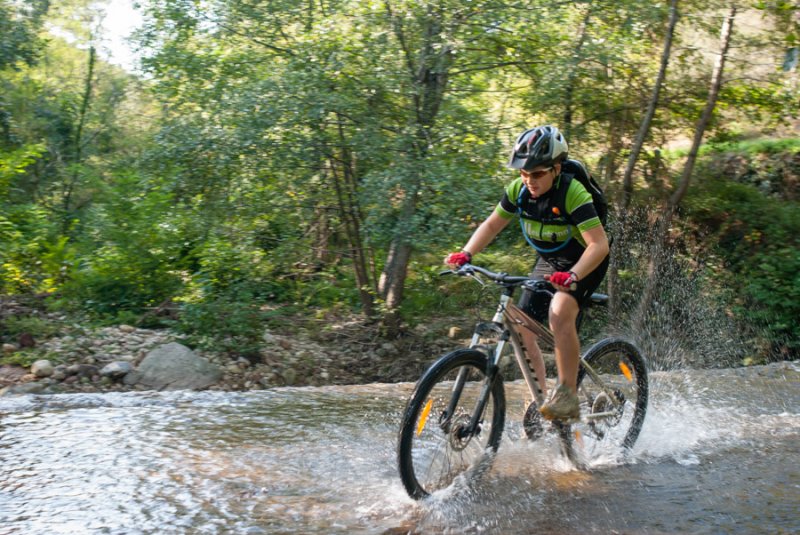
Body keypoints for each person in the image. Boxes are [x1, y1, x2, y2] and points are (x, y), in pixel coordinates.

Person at [445, 125, 610, 421]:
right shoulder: (518, 191)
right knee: (520, 325)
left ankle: (567, 395)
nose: (529, 180)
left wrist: (573, 275)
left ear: (556, 169)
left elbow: (599, 245)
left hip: (584, 259)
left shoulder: (573, 192)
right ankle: (541, 400)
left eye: (537, 174)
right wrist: (466, 253)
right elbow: (492, 225)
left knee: (559, 311)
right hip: (550, 259)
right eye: (523, 173)